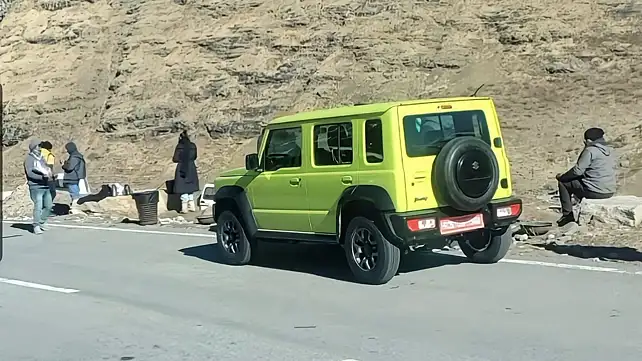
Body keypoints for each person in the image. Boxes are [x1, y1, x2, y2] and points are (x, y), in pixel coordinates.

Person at [555, 127, 616, 227]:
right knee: (580, 181)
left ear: (587, 140)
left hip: (595, 191)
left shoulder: (590, 150)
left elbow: (577, 171)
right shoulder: (609, 150)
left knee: (564, 183)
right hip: (609, 190)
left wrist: (563, 177)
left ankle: (567, 216)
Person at [24, 139, 53, 234]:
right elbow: (30, 174)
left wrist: (50, 174)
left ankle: (42, 221)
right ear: (33, 148)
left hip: (45, 185)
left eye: (40, 146)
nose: (39, 148)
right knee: (38, 206)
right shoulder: (29, 159)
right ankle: (36, 225)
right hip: (36, 186)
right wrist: (42, 177)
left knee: (48, 206)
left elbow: (46, 168)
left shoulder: (41, 158)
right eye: (38, 146)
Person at [172, 130, 199, 213]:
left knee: (183, 188)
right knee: (190, 187)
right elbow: (195, 157)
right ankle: (192, 206)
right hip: (191, 167)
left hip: (182, 168)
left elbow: (175, 159)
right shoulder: (193, 146)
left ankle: (184, 208)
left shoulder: (179, 147)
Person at [61, 141, 87, 212]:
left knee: (74, 194)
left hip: (72, 178)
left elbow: (70, 167)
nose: (66, 151)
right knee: (74, 193)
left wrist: (64, 164)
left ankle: (76, 208)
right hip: (74, 177)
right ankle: (76, 207)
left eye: (67, 149)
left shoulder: (74, 157)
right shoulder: (76, 156)